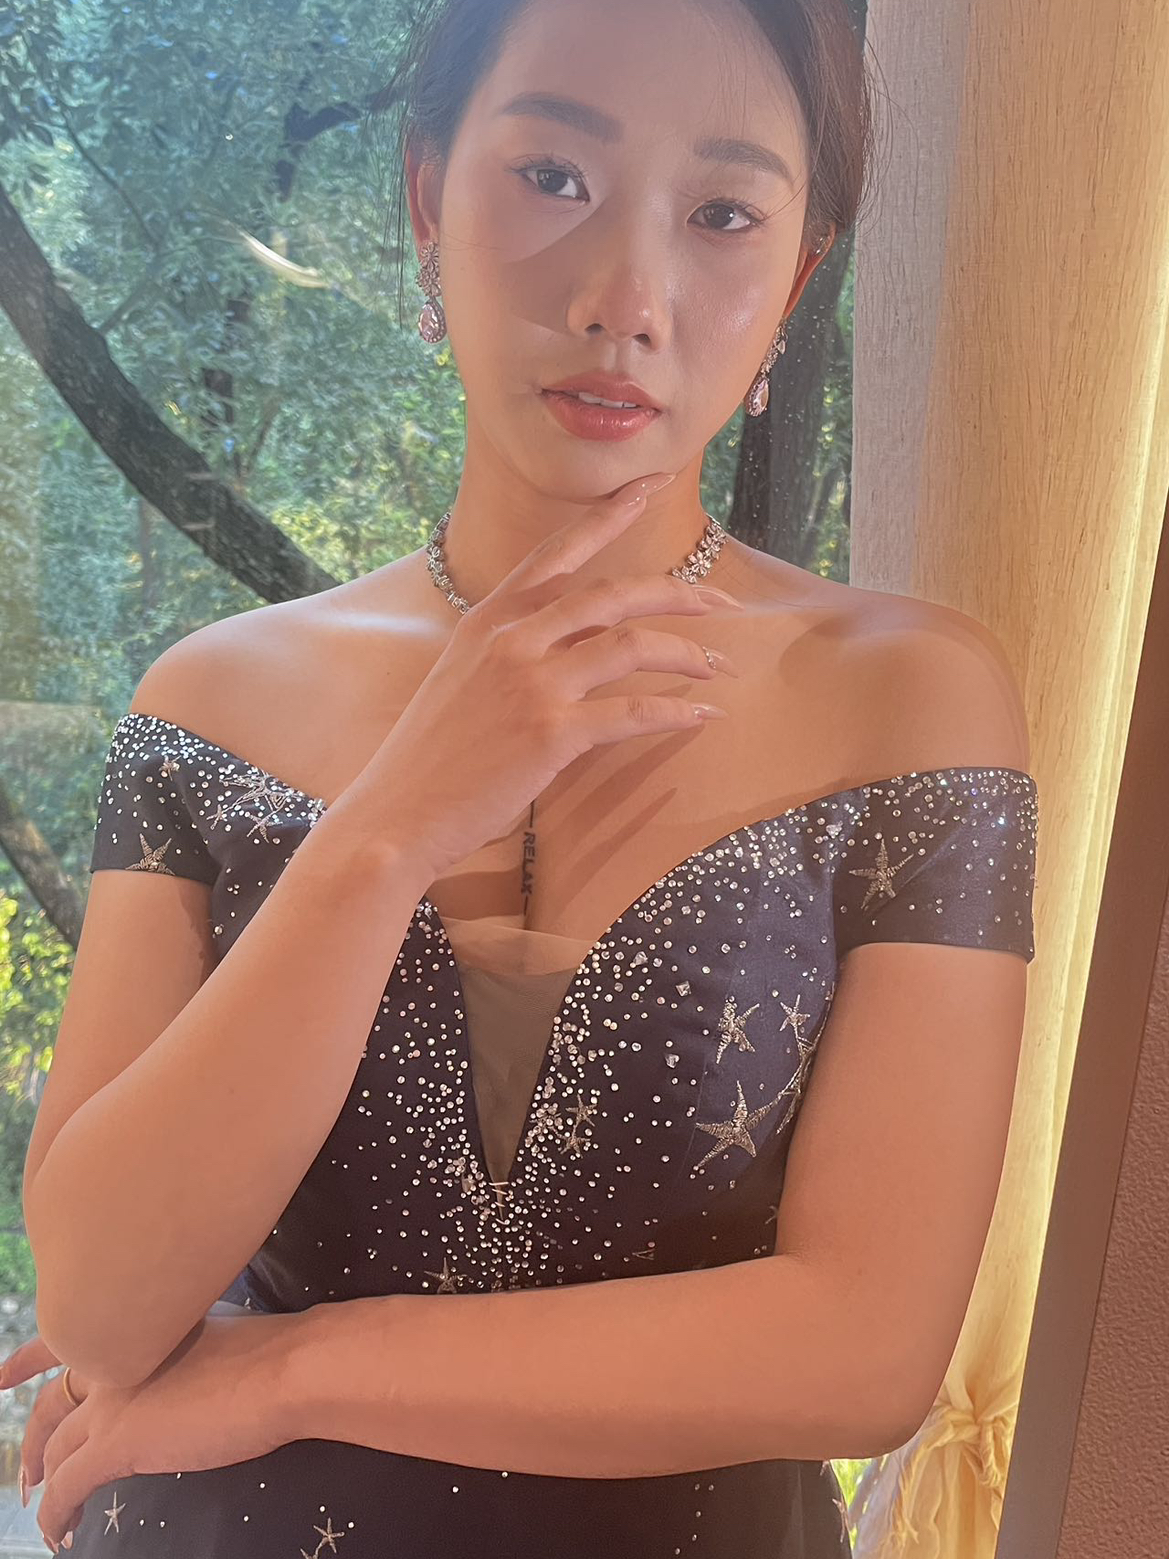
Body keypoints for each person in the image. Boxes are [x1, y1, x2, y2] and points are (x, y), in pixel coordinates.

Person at [15, 0, 1039, 1553]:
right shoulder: (211, 700)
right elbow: (98, 1303)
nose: (625, 299)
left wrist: (288, 1369)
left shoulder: (912, 698)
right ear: (429, 199)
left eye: (721, 213)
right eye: (553, 176)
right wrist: (390, 826)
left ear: (794, 279)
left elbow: (864, 1353)